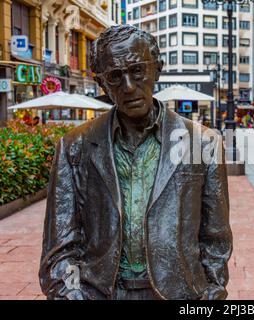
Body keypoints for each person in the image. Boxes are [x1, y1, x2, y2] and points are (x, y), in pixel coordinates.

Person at [39, 25, 232, 300]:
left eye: (137, 70)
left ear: (157, 69)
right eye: (115, 76)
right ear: (102, 83)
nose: (129, 87)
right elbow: (58, 247)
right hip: (100, 294)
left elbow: (216, 236)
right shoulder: (74, 146)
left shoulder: (204, 143)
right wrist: (71, 295)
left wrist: (213, 289)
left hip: (181, 293)